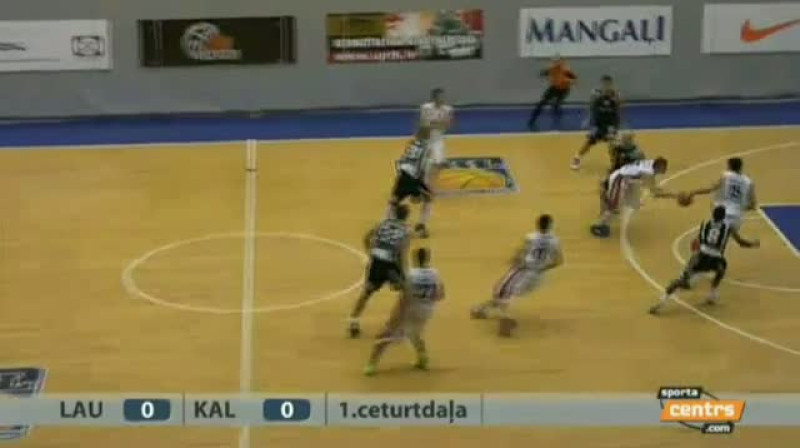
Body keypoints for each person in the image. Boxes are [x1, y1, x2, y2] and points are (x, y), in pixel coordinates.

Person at [649, 205, 760, 315]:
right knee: (721, 269)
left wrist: (694, 256)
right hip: (716, 258)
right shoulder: (728, 227)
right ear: (723, 217)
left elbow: (697, 242)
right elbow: (741, 243)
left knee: (683, 282)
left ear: (713, 215)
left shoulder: (705, 224)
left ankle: (662, 300)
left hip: (701, 256)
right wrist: (753, 244)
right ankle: (712, 293)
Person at [470, 214, 563, 337]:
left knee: (503, 293)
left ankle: (504, 318)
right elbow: (558, 262)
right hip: (539, 276)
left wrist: (514, 260)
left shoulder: (531, 237)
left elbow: (521, 253)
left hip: (523, 270)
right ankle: (481, 309)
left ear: (538, 225)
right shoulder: (555, 241)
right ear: (551, 226)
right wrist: (542, 268)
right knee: (508, 294)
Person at [364, 247, 444, 376]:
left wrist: (395, 316)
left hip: (411, 309)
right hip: (427, 311)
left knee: (384, 336)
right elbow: (440, 295)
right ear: (428, 258)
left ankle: (371, 365)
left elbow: (404, 297)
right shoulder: (435, 273)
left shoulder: (410, 274)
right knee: (414, 332)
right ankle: (423, 359)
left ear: (414, 259)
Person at [348, 204, 411, 338]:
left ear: (395, 213)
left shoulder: (383, 224)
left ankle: (353, 321)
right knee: (406, 294)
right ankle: (395, 325)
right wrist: (405, 274)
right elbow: (402, 254)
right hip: (391, 265)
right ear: (406, 216)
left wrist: (370, 253)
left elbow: (366, 238)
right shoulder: (405, 231)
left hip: (376, 262)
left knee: (367, 292)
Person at [590, 158, 678, 238]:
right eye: (664, 168)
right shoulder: (647, 173)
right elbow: (656, 193)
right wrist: (675, 195)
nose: (665, 170)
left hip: (627, 179)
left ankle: (608, 204)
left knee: (632, 203)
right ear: (658, 167)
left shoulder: (652, 163)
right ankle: (598, 225)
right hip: (619, 179)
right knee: (614, 206)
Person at [685, 157, 757, 231]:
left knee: (711, 235)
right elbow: (753, 205)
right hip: (736, 218)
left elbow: (710, 189)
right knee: (726, 235)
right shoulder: (749, 182)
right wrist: (739, 207)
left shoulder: (726, 176)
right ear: (741, 167)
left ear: (729, 166)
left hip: (721, 214)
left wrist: (694, 192)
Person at [387, 127, 434, 238]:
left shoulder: (412, 144)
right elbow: (423, 167)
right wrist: (424, 185)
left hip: (402, 174)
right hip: (413, 176)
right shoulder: (426, 148)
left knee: (394, 201)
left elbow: (402, 161)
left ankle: (387, 224)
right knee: (429, 199)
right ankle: (421, 226)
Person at [572, 75, 622, 170]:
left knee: (613, 144)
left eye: (608, 84)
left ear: (611, 84)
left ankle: (615, 163)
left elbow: (619, 108)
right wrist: (588, 119)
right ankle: (577, 158)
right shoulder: (596, 93)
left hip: (610, 123)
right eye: (604, 84)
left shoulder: (615, 94)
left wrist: (618, 123)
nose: (606, 86)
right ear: (602, 84)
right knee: (590, 142)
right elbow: (591, 107)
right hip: (599, 123)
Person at [527, 55, 576, 131]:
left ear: (561, 61)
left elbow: (574, 79)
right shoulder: (551, 69)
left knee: (556, 104)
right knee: (542, 102)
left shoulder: (566, 70)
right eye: (554, 61)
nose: (555, 63)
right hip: (554, 88)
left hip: (564, 90)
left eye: (557, 61)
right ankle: (532, 118)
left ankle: (557, 113)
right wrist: (542, 74)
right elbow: (543, 73)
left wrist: (568, 80)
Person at [419, 88, 454, 184]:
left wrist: (433, 123)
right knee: (425, 162)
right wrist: (439, 124)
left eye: (443, 97)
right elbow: (423, 125)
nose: (442, 99)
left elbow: (448, 125)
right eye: (440, 97)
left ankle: (431, 182)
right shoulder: (426, 108)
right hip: (425, 136)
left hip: (438, 138)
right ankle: (424, 182)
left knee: (438, 162)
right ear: (434, 98)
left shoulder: (448, 109)